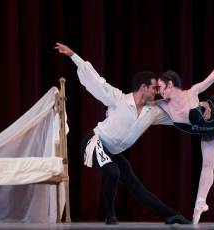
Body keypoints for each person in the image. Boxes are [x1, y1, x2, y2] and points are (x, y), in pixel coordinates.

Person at [54, 43, 192, 225]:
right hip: (94, 142)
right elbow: (95, 81)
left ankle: (170, 215)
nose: (156, 92)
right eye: (154, 88)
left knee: (136, 187)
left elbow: (179, 117)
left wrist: (201, 113)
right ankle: (110, 215)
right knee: (113, 172)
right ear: (143, 87)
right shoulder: (118, 98)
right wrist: (73, 55)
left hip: (113, 152)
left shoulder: (153, 111)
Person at [156, 12, 214, 224]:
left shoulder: (191, 93)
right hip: (207, 132)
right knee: (208, 166)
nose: (159, 92)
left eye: (161, 88)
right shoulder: (163, 105)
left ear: (170, 85)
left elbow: (213, 75)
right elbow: (142, 103)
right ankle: (200, 203)